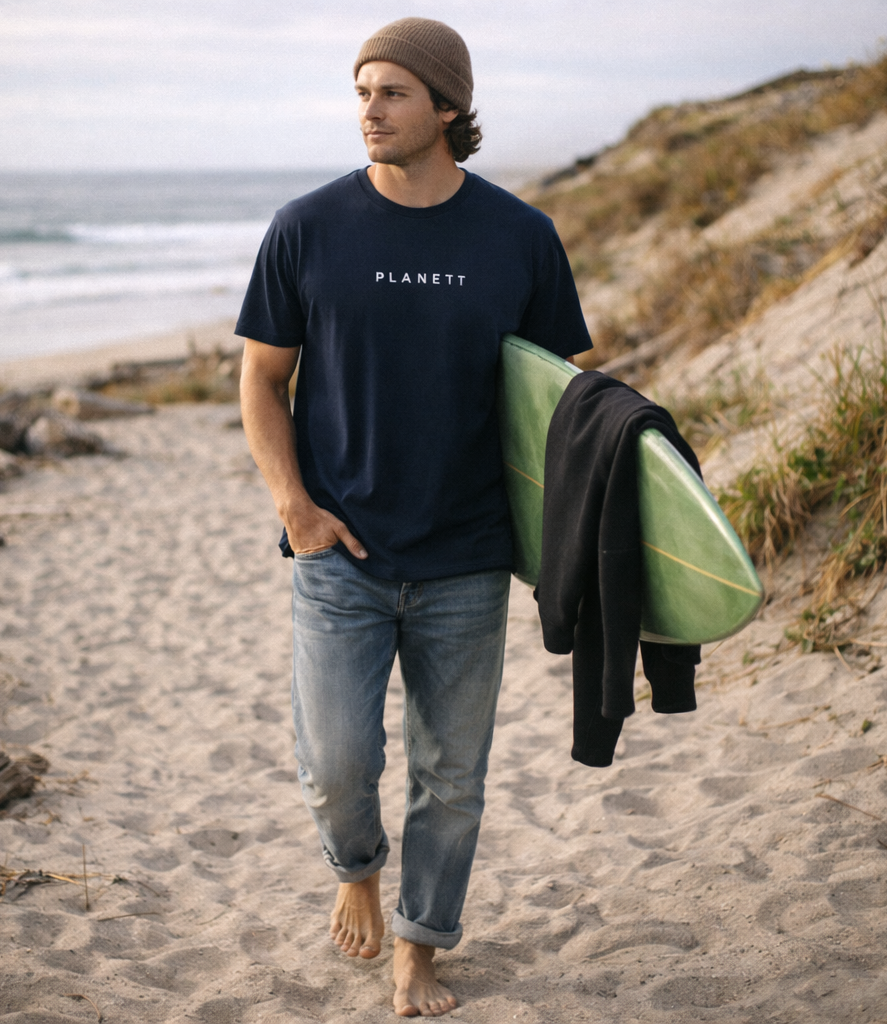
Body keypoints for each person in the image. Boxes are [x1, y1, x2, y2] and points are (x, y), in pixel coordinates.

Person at [237, 17, 591, 1017]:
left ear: (446, 108)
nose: (369, 110)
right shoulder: (305, 227)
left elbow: (556, 398)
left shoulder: (520, 236)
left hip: (469, 555)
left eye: (391, 92)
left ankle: (420, 946)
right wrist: (294, 508)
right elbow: (261, 381)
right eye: (360, 92)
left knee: (452, 773)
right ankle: (355, 864)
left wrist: (550, 532)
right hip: (337, 548)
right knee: (338, 760)